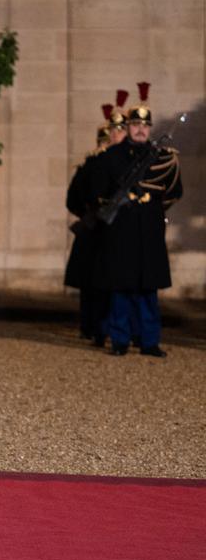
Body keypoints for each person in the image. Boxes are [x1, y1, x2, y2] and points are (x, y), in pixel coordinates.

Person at [88, 82, 182, 357]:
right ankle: (120, 340)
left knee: (148, 289)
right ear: (128, 127)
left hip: (150, 229)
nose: (141, 129)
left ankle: (149, 340)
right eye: (135, 125)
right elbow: (98, 191)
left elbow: (174, 192)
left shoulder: (163, 157)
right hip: (122, 229)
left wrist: (150, 206)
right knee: (121, 288)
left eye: (145, 125)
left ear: (150, 129)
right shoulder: (112, 157)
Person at [64, 100, 127, 345]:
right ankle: (97, 327)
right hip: (97, 228)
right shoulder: (93, 165)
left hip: (118, 228)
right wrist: (90, 214)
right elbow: (76, 199)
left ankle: (108, 327)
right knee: (95, 284)